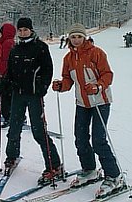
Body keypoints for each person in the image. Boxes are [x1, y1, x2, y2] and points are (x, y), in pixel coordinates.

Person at [52, 23, 122, 198]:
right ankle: (89, 169)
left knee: (99, 140)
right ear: (69, 38)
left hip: (100, 102)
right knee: (81, 138)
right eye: (73, 37)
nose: (76, 40)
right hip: (82, 103)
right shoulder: (68, 58)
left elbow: (108, 75)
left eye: (79, 37)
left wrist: (98, 86)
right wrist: (61, 86)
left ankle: (114, 175)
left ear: (85, 37)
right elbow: (68, 79)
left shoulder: (96, 53)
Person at [0, 17, 62, 184]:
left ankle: (54, 165)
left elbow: (48, 70)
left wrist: (43, 86)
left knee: (39, 131)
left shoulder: (40, 47)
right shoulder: (15, 49)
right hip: (18, 94)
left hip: (34, 95)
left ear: (31, 30)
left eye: (26, 29)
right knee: (14, 128)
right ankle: (11, 156)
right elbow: (10, 71)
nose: (23, 32)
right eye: (20, 30)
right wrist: (4, 83)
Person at [0, 22, 16, 128]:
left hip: (7, 76)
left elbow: (6, 61)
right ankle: (11, 115)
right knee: (7, 97)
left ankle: (9, 117)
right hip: (7, 75)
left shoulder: (7, 44)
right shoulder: (8, 42)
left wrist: (1, 74)